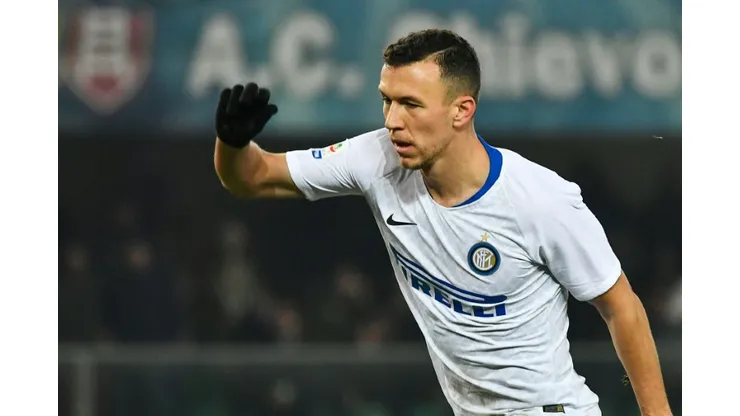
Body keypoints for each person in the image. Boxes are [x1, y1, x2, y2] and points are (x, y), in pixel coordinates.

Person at [212, 29, 672, 416]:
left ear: (461, 110)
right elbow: (252, 177)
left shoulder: (541, 200)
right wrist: (232, 143)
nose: (393, 121)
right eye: (387, 101)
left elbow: (622, 307)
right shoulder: (375, 159)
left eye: (411, 104)